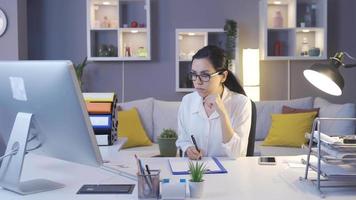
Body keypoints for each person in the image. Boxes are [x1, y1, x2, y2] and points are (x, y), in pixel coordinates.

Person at [176, 45, 252, 160]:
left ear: (223, 76)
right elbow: (182, 138)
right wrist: (188, 148)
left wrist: (223, 114)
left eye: (205, 75)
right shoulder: (187, 101)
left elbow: (236, 154)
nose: (198, 82)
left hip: (229, 172)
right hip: (196, 171)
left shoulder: (241, 103)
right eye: (194, 74)